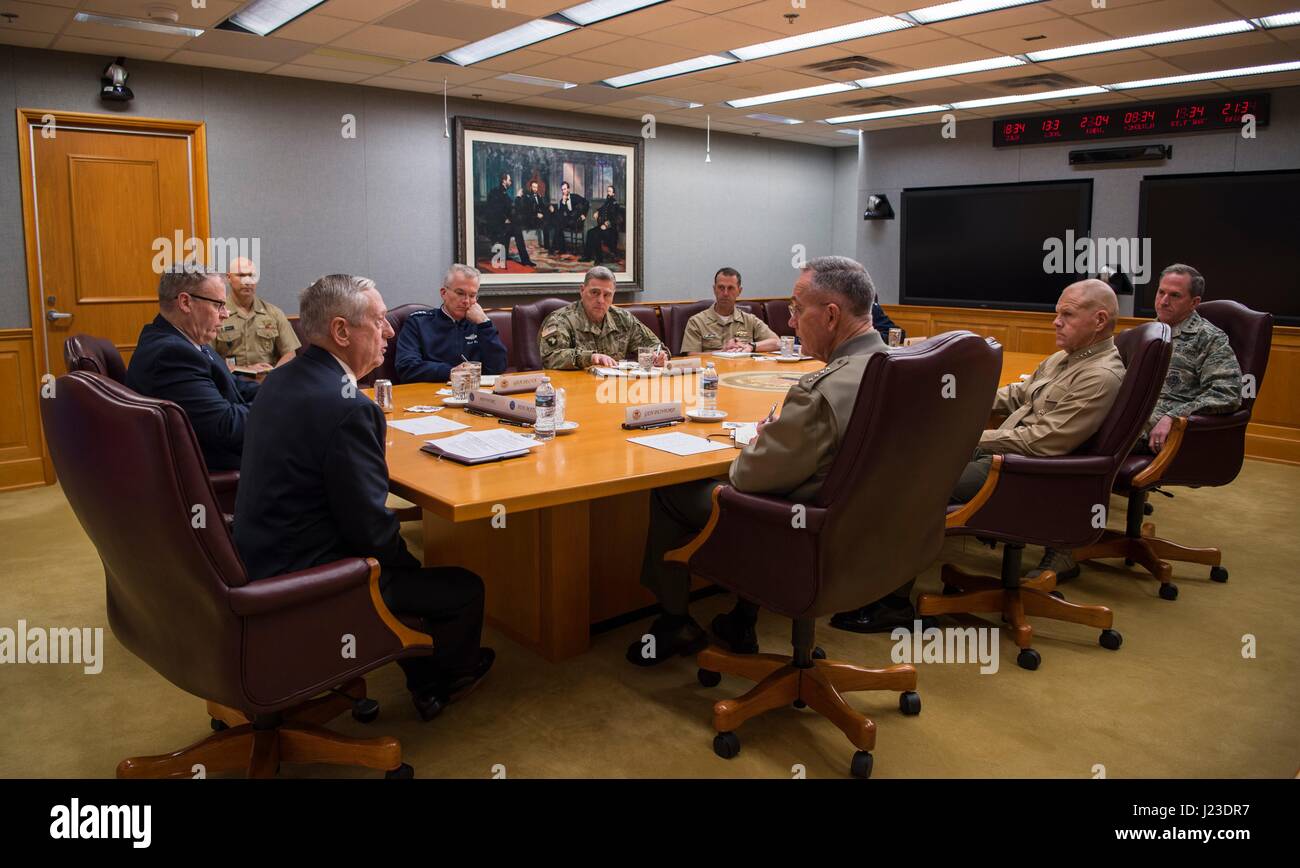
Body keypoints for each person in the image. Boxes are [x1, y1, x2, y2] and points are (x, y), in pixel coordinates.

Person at [233, 274, 493, 721]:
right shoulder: (349, 408)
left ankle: (419, 666)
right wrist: (408, 571)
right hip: (313, 574)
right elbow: (371, 530)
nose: (389, 331)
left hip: (257, 555)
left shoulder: (281, 378)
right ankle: (442, 682)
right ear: (340, 331)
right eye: (377, 321)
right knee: (461, 587)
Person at [630, 256, 889, 666]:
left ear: (832, 315)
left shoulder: (820, 391)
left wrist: (767, 439)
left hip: (799, 523)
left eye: (798, 310)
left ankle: (675, 620)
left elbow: (748, 477)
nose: (790, 323)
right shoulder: (899, 369)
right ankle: (744, 614)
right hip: (868, 529)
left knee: (670, 489)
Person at [831, 279, 1126, 633]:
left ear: (1099, 320)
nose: (1055, 322)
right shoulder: (1067, 358)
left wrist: (968, 437)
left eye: (1067, 314)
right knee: (910, 466)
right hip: (1011, 460)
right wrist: (958, 400)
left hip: (1031, 475)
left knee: (917, 487)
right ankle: (863, 578)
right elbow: (1018, 395)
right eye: (1056, 313)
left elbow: (1045, 441)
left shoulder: (1100, 376)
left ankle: (891, 604)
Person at [127, 264, 258, 472]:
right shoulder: (170, 355)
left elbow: (233, 386)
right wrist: (279, 405)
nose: (225, 314)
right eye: (218, 305)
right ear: (186, 302)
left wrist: (278, 390)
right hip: (224, 469)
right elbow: (226, 427)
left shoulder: (187, 341)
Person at [1138, 264, 1241, 453]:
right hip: (1128, 415)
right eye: (1161, 292)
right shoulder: (1143, 333)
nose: (1164, 301)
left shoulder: (1209, 338)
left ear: (1194, 302)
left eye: (1175, 295)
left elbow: (1227, 394)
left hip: (1159, 428)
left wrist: (1173, 417)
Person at [395, 264, 508, 383]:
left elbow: (498, 368)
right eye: (460, 293)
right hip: (431, 392)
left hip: (474, 393)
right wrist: (450, 372)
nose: (466, 301)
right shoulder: (418, 322)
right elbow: (406, 367)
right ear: (444, 293)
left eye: (472, 295)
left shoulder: (481, 325)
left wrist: (485, 325)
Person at [539, 266, 664, 369]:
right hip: (575, 391)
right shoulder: (560, 320)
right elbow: (550, 357)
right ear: (582, 290)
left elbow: (654, 345)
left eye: (607, 295)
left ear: (613, 295)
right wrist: (590, 358)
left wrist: (658, 356)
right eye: (595, 293)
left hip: (613, 390)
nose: (600, 300)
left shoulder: (623, 319)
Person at [211, 256, 299, 371]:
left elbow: (290, 355)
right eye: (241, 275)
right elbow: (208, 356)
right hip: (231, 382)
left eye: (252, 276)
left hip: (266, 381)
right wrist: (245, 369)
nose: (247, 281)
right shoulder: (216, 314)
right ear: (229, 277)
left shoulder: (274, 313)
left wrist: (273, 376)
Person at [680, 267, 780, 354]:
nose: (725, 293)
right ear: (714, 289)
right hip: (710, 373)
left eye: (731, 288)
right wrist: (723, 352)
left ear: (739, 291)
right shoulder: (696, 322)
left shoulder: (749, 320)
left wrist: (751, 346)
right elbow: (692, 355)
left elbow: (777, 342)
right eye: (721, 288)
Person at [484, 172, 534, 267]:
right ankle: (525, 260)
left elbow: (510, 207)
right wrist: (504, 219)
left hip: (502, 224)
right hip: (497, 225)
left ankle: (508, 256)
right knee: (517, 230)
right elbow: (494, 210)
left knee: (515, 228)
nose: (511, 182)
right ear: (504, 181)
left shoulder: (503, 192)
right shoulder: (497, 192)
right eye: (509, 180)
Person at [583, 185, 622, 265]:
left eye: (610, 191)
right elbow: (602, 209)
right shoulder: (607, 202)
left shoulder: (615, 204)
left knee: (596, 235)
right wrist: (597, 212)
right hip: (602, 226)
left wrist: (607, 225)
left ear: (613, 194)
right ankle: (587, 256)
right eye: (607, 191)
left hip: (611, 230)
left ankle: (599, 258)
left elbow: (616, 219)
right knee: (590, 232)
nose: (608, 193)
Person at [545, 181, 587, 255]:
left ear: (568, 189)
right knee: (558, 224)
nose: (564, 191)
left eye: (565, 189)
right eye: (562, 190)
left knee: (558, 224)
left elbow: (586, 202)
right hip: (566, 221)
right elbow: (562, 214)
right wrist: (563, 203)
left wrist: (584, 214)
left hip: (575, 221)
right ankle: (560, 248)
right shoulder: (562, 201)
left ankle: (557, 248)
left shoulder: (575, 197)